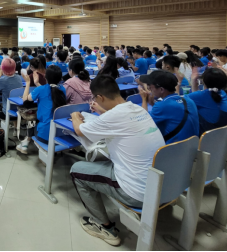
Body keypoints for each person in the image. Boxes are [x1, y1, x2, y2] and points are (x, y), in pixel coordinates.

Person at [70, 76, 165, 246]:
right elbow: (118, 120)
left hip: (138, 193)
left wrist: (75, 115)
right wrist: (102, 111)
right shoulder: (138, 109)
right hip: (163, 187)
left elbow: (79, 130)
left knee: (77, 170)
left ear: (100, 97)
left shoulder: (113, 117)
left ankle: (103, 226)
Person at [138, 71, 200, 144]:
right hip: (194, 145)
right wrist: (152, 104)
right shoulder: (189, 101)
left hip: (173, 148)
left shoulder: (161, 106)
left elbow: (143, 124)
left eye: (150, 86)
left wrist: (144, 100)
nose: (149, 88)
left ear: (161, 89)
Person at [19, 65, 66, 154]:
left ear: (45, 76)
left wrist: (28, 82)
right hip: (60, 135)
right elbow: (50, 91)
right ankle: (25, 143)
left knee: (32, 121)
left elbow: (25, 99)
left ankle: (26, 142)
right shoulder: (62, 89)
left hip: (44, 135)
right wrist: (37, 83)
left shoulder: (41, 89)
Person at [189, 68, 227, 135]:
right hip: (224, 137)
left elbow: (182, 101)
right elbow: (196, 99)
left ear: (204, 81)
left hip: (207, 137)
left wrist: (193, 82)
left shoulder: (202, 95)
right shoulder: (223, 93)